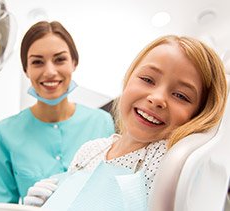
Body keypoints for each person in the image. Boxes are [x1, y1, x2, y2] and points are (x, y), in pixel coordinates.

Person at [23, 35, 227, 210]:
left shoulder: (165, 160)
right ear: (128, 79)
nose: (157, 98)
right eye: (147, 79)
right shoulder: (90, 150)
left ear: (198, 114)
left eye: (181, 96)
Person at [0, 21, 115, 203]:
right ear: (26, 70)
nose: (50, 71)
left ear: (74, 63)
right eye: (37, 62)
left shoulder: (102, 123)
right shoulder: (5, 133)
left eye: (59, 59)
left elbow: (114, 195)